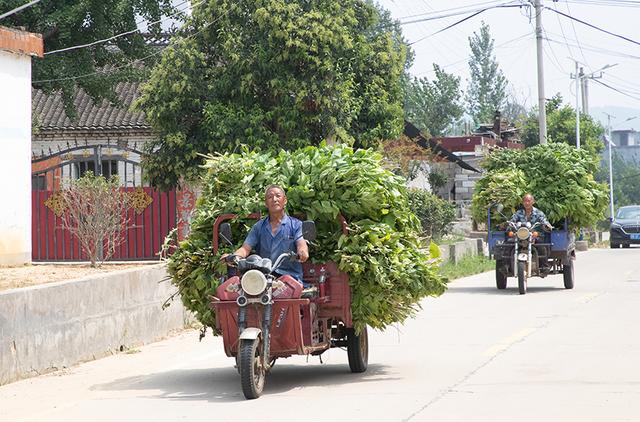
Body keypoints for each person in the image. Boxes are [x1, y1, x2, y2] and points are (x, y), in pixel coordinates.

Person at [224, 185, 309, 283]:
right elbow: (245, 248)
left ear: (285, 201)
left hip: (290, 279)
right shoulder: (258, 227)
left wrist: (302, 252)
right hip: (263, 278)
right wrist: (234, 256)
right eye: (270, 197)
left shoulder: (296, 225)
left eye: (278, 196)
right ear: (266, 203)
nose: (274, 199)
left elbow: (301, 243)